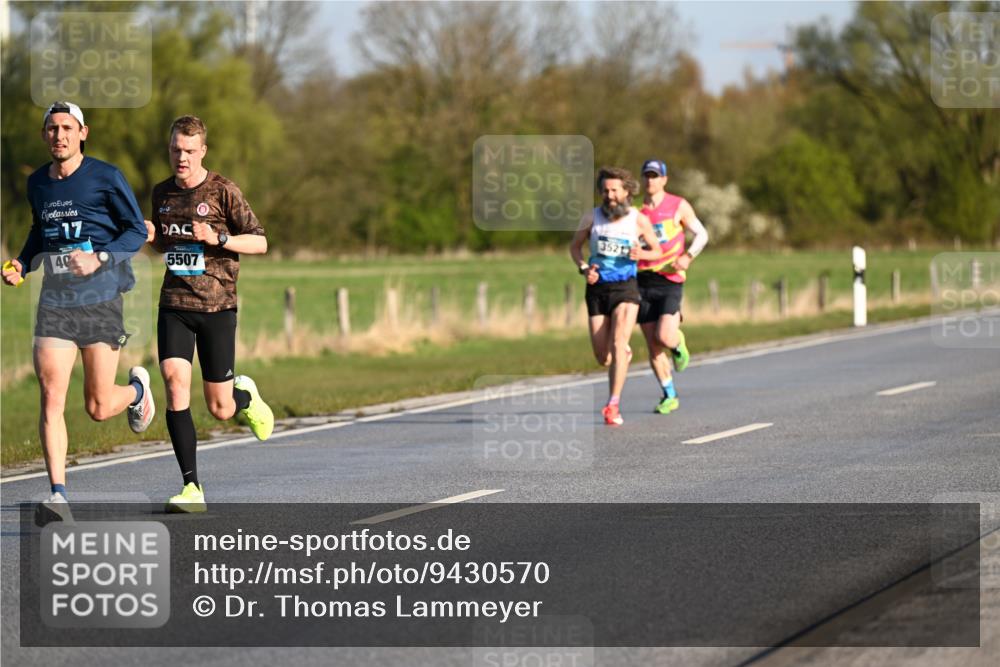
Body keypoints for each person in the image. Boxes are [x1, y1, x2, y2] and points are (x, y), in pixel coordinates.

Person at [1, 101, 154, 524]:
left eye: (67, 128)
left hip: (103, 299)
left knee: (99, 406)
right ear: (44, 135)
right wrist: (21, 262)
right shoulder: (38, 184)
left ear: (83, 132)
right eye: (52, 129)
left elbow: (137, 231)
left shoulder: (106, 177)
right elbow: (39, 232)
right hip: (55, 304)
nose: (59, 135)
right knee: (51, 396)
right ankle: (58, 495)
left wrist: (101, 258)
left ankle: (137, 393)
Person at [145, 115, 273, 513]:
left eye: (188, 151)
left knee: (219, 407)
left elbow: (261, 242)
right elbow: (166, 247)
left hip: (217, 307)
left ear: (201, 151)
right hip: (175, 304)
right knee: (173, 380)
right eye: (174, 150)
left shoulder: (222, 190)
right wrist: (151, 238)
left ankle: (244, 397)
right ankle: (191, 488)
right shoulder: (162, 193)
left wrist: (218, 237)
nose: (180, 158)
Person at [570, 167, 661, 426]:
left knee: (619, 343)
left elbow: (656, 251)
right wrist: (584, 268)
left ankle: (613, 405)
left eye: (614, 190)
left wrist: (641, 255)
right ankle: (621, 355)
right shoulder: (591, 218)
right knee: (603, 357)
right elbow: (575, 247)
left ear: (626, 192)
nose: (609, 195)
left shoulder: (638, 219)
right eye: (605, 190)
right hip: (598, 289)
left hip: (626, 287)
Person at [636, 159, 709, 414]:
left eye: (655, 175)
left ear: (664, 179)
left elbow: (702, 234)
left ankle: (677, 343)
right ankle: (669, 394)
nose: (650, 180)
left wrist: (687, 256)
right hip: (642, 280)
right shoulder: (636, 211)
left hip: (670, 279)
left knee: (664, 336)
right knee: (653, 345)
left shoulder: (677, 205)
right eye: (646, 175)